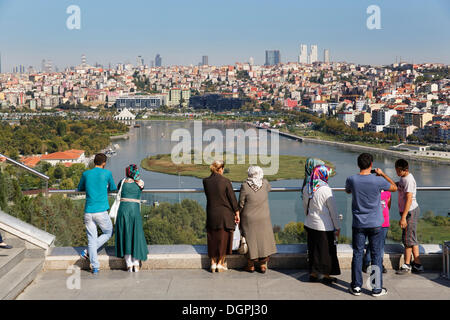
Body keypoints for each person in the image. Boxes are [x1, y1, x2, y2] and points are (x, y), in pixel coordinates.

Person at [345, 153, 397, 297]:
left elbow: (348, 190)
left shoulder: (352, 179)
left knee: (357, 254)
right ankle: (376, 289)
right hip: (376, 223)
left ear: (358, 164)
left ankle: (356, 287)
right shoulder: (377, 181)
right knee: (376, 255)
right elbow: (394, 187)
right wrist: (382, 174)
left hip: (358, 223)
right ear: (371, 165)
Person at [77, 153, 117, 274]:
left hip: (88, 211)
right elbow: (113, 187)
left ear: (94, 161)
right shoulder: (107, 173)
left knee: (91, 238)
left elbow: (79, 188)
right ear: (104, 163)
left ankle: (95, 267)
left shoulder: (86, 174)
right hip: (101, 211)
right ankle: (88, 252)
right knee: (108, 232)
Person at [302, 164, 341, 284]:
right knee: (326, 252)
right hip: (324, 226)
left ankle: (313, 273)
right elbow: (333, 211)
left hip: (310, 223)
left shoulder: (307, 187)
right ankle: (326, 275)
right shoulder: (325, 189)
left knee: (313, 249)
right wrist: (337, 226)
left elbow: (305, 206)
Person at [203, 160, 240, 272]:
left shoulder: (205, 181)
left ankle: (213, 263)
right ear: (220, 169)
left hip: (212, 213)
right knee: (224, 238)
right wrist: (237, 213)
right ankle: (220, 263)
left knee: (212, 238)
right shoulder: (226, 181)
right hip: (225, 214)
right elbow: (232, 199)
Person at [238, 166, 277, 273]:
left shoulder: (245, 186)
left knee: (250, 239)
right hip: (264, 217)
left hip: (249, 218)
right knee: (263, 239)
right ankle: (263, 265)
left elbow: (241, 204)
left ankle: (250, 265)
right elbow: (269, 188)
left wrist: (237, 215)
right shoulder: (265, 183)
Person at [115, 164, 148, 272]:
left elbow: (117, 189)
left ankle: (128, 263)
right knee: (135, 235)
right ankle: (136, 263)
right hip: (134, 210)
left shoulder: (122, 182)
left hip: (123, 210)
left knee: (125, 234)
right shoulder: (140, 183)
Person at [395, 159, 424, 274]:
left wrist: (404, 217)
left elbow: (409, 199)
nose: (397, 173)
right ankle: (417, 264)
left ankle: (407, 264)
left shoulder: (409, 180)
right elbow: (398, 185)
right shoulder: (403, 178)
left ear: (405, 170)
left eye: (398, 171)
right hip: (409, 211)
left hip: (410, 211)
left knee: (407, 239)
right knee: (412, 238)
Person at [363, 190, 391, 274]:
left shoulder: (387, 193)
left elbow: (388, 206)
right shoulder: (371, 192)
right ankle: (367, 263)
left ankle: (379, 264)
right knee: (371, 244)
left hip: (384, 222)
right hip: (373, 222)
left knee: (381, 245)